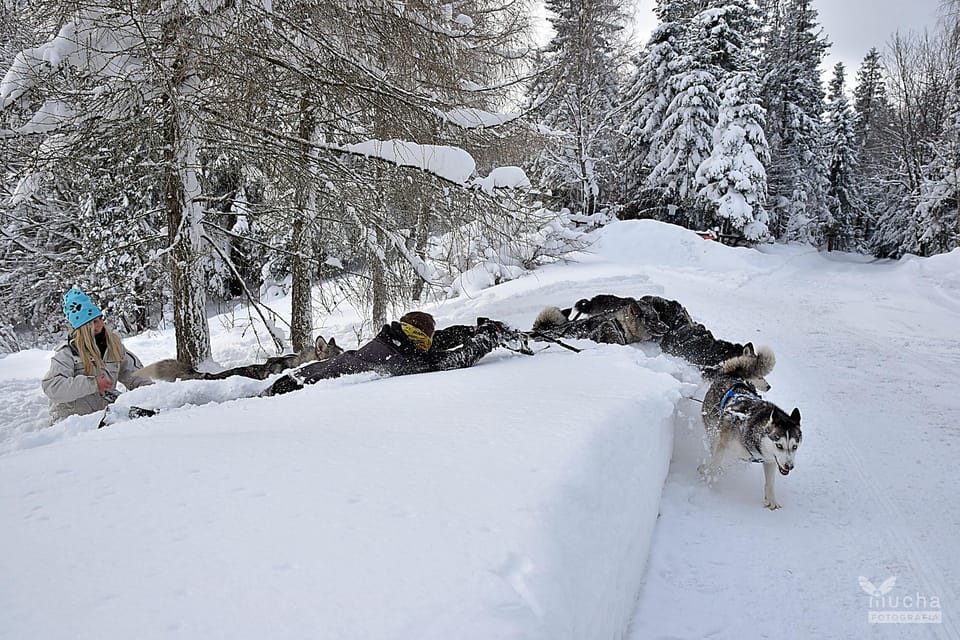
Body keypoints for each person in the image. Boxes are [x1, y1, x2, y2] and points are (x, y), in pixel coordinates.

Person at [264, 311, 509, 396]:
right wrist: (488, 338)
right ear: (415, 337)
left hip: (300, 376)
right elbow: (458, 359)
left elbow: (437, 340)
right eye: (423, 341)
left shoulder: (392, 340)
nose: (427, 346)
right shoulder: (403, 360)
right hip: (297, 386)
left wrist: (471, 331)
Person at [531, 293, 748, 369]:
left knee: (587, 329)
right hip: (635, 318)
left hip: (634, 318)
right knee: (587, 329)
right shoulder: (677, 320)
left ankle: (541, 336)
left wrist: (591, 306)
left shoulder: (676, 321)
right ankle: (541, 336)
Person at [41, 288, 152, 423]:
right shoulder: (67, 354)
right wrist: (93, 384)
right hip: (70, 425)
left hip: (102, 420)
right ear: (83, 327)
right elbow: (53, 388)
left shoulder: (114, 347)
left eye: (100, 318)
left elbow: (136, 376)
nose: (100, 324)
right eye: (93, 322)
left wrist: (152, 395)